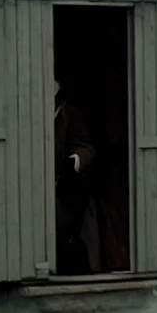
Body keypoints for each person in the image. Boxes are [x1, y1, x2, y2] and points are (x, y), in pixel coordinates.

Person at [54, 78, 101, 274]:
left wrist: (74, 160)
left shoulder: (69, 113)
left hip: (62, 188)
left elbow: (85, 146)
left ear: (58, 86)